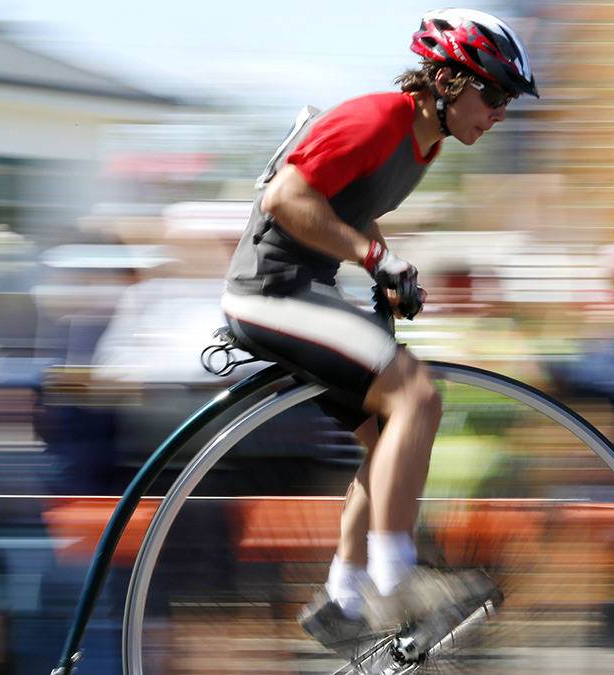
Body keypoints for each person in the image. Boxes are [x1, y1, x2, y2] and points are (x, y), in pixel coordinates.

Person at [220, 7, 538, 661]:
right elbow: (286, 199)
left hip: (306, 291)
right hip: (271, 293)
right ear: (449, 80)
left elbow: (348, 207)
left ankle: (345, 595)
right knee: (416, 397)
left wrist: (385, 265)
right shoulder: (379, 118)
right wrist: (374, 259)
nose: (500, 112)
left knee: (390, 435)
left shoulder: (424, 142)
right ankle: (396, 578)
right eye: (495, 93)